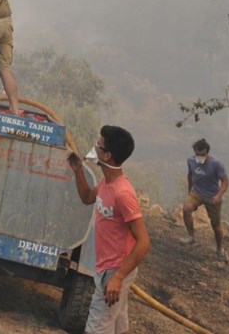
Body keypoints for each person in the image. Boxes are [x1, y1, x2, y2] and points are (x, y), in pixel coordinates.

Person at [68, 125, 150, 334]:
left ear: (107, 155)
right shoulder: (106, 182)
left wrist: (118, 277)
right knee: (117, 325)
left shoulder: (123, 194)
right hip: (109, 268)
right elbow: (87, 198)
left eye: (99, 145)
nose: (95, 147)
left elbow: (143, 242)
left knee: (96, 327)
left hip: (115, 270)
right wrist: (78, 170)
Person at [180, 138, 229, 262]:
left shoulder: (216, 164)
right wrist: (190, 191)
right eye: (197, 154)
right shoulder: (191, 161)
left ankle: (219, 249)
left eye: (202, 155)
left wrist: (218, 196)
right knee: (186, 209)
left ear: (207, 153)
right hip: (197, 192)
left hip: (212, 196)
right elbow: (190, 175)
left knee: (216, 225)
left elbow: (225, 181)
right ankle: (191, 236)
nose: (199, 157)